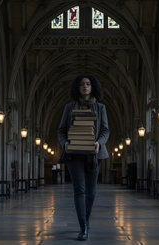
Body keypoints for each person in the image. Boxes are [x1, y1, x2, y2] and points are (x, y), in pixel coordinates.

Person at [58, 74, 109, 241]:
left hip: (94, 153)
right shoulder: (69, 107)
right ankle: (83, 227)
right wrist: (65, 143)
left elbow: (105, 130)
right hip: (74, 153)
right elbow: (61, 130)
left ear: (92, 86)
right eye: (82, 84)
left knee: (91, 192)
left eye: (88, 84)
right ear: (77, 88)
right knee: (79, 190)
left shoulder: (100, 108)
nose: (85, 86)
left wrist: (99, 144)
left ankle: (85, 222)